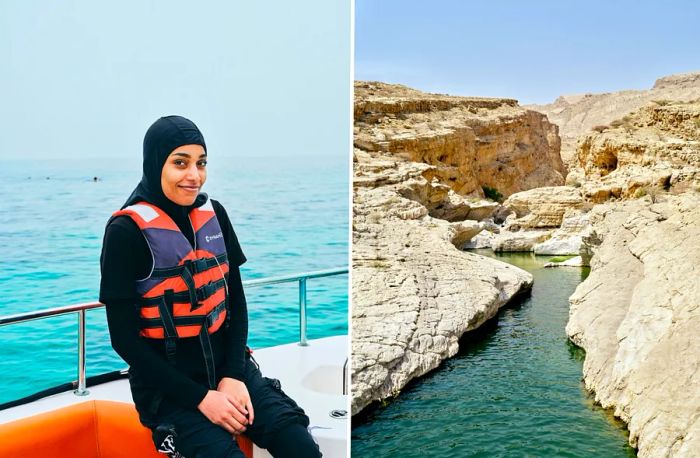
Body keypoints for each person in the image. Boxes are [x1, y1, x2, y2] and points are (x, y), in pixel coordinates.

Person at [99, 115, 322, 458]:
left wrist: (233, 375)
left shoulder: (214, 213)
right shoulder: (125, 233)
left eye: (201, 163)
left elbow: (237, 304)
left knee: (300, 447)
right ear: (155, 163)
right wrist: (201, 399)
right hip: (170, 392)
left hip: (230, 372)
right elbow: (124, 341)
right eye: (180, 163)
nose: (194, 175)